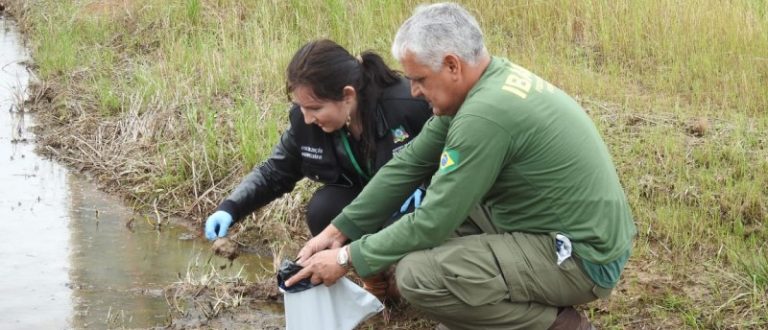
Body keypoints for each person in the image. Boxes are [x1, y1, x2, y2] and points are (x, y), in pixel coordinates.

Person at [285, 3, 636, 330]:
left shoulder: (484, 116)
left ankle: (559, 324)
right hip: (552, 224)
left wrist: (346, 258)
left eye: (420, 79)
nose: (414, 90)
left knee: (417, 277)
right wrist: (337, 230)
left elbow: (432, 222)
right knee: (416, 242)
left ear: (452, 65)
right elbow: (408, 163)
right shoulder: (486, 84)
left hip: (583, 257)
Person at [204, 39, 431, 255]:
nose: (308, 118)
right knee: (323, 209)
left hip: (418, 207)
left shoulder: (408, 104)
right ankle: (368, 271)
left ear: (347, 95)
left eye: (315, 108)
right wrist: (230, 208)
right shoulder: (306, 122)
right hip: (368, 201)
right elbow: (274, 172)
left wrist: (424, 186)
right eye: (301, 107)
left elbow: (456, 151)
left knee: (402, 220)